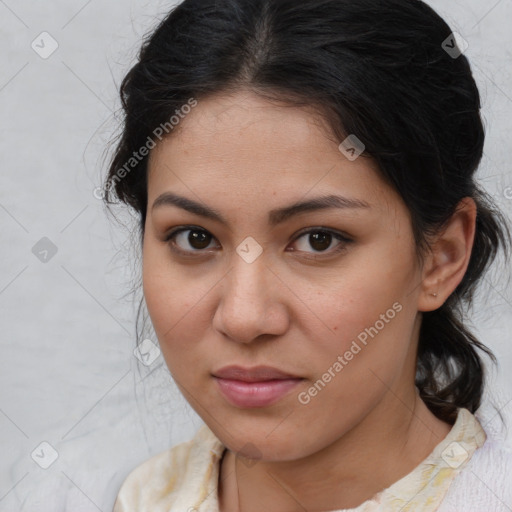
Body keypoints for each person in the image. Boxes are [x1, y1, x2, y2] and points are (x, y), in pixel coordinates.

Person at [103, 0, 512, 510]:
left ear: (442, 257)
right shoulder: (131, 498)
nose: (245, 317)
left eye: (319, 239)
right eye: (195, 238)